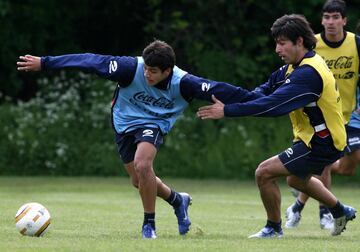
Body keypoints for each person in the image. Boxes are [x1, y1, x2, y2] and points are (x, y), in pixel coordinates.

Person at [17, 40, 252, 239]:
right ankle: (177, 199)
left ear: (167, 71)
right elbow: (89, 60)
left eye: (153, 71)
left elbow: (226, 91)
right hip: (123, 122)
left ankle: (148, 224)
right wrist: (45, 62)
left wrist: (263, 98)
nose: (147, 74)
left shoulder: (185, 83)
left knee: (143, 165)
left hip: (154, 124)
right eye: (146, 68)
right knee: (138, 181)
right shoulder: (129, 68)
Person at [197, 14, 356, 238]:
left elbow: (272, 106)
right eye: (276, 43)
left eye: (282, 43)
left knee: (264, 173)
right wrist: (235, 97)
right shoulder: (292, 68)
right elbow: (263, 92)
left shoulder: (308, 74)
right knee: (295, 179)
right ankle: (341, 210)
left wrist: (228, 111)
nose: (277, 49)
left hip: (323, 141)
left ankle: (273, 228)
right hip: (315, 138)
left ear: (299, 42)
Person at [285, 0, 360, 230]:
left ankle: (298, 202)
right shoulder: (312, 44)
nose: (330, 22)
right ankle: (326, 213)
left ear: (344, 21)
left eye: (335, 17)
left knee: (349, 166)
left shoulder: (356, 44)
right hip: (321, 117)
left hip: (350, 115)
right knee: (325, 164)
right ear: (321, 20)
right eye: (326, 17)